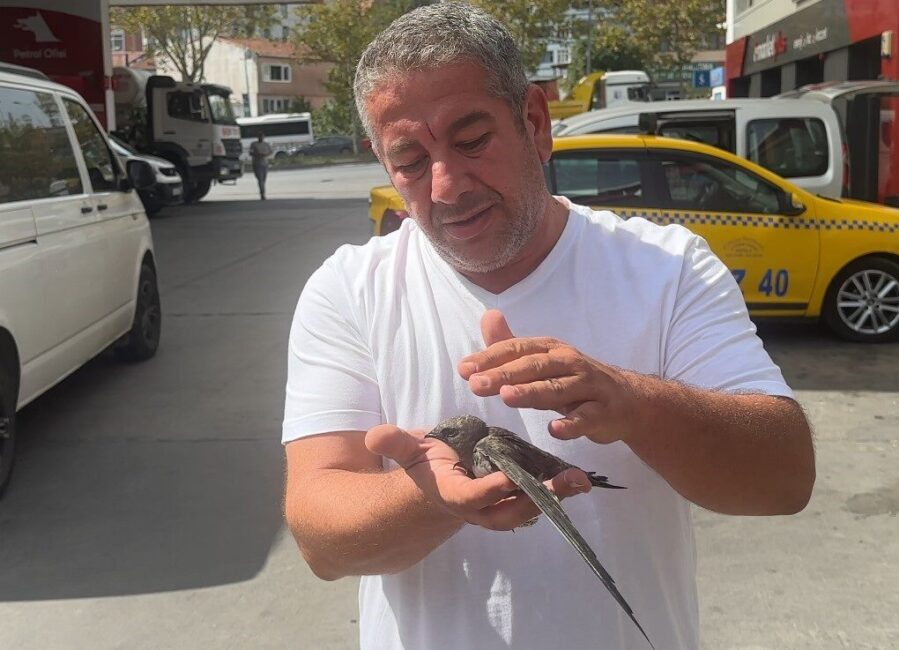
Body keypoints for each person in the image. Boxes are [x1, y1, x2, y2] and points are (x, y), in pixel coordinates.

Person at [281, 5, 815, 650]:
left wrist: (632, 402)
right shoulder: (347, 290)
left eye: (471, 140)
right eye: (410, 160)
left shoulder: (669, 267)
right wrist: (431, 498)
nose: (446, 186)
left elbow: (784, 478)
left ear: (534, 122)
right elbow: (319, 540)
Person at [249, 133, 273, 199]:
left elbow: (271, 151)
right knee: (260, 179)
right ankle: (262, 193)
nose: (261, 138)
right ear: (258, 137)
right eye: (260, 137)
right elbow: (250, 152)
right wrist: (257, 154)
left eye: (262, 137)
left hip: (265, 164)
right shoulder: (254, 144)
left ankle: (262, 191)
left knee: (264, 179)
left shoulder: (266, 144)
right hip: (257, 164)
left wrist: (266, 154)